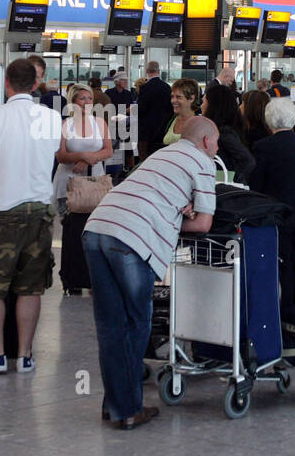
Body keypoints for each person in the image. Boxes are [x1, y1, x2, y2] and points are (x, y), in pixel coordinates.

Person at [83, 116, 218, 429]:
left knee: (110, 325)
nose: (216, 148)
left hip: (97, 228)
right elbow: (203, 224)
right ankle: (129, 409)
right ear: (207, 141)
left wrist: (172, 210)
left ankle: (114, 404)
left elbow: (155, 193)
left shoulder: (161, 154)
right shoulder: (202, 161)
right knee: (134, 323)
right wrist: (170, 221)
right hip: (131, 239)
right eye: (217, 143)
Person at [0, 58, 62, 374]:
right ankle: (25, 355)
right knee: (30, 286)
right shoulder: (51, 117)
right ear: (35, 84)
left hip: (1, 211)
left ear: (7, 83)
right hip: (40, 213)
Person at [250, 98, 295, 316]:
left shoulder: (263, 147)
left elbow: (257, 184)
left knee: (284, 263)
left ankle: (287, 312)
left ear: (269, 120)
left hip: (280, 213)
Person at [53, 84, 113, 215]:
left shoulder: (100, 122)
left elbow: (108, 151)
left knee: (93, 225)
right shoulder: (65, 125)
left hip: (95, 184)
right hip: (68, 185)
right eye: (82, 98)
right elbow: (61, 157)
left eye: (90, 98)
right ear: (73, 102)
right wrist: (83, 155)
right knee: (70, 227)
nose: (87, 102)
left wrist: (87, 160)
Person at [202, 83, 254, 182]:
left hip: (224, 185)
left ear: (212, 106)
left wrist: (233, 179)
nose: (201, 105)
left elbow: (248, 160)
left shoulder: (223, 132)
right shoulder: (226, 129)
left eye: (204, 102)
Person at [136, 60, 172, 161]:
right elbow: (170, 109)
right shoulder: (167, 87)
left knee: (144, 159)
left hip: (146, 132)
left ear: (147, 70)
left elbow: (141, 109)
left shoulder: (145, 87)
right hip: (162, 131)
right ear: (159, 71)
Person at [162, 78, 200, 146]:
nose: (173, 101)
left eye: (178, 97)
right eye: (172, 97)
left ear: (191, 98)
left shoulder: (201, 124)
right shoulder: (169, 119)